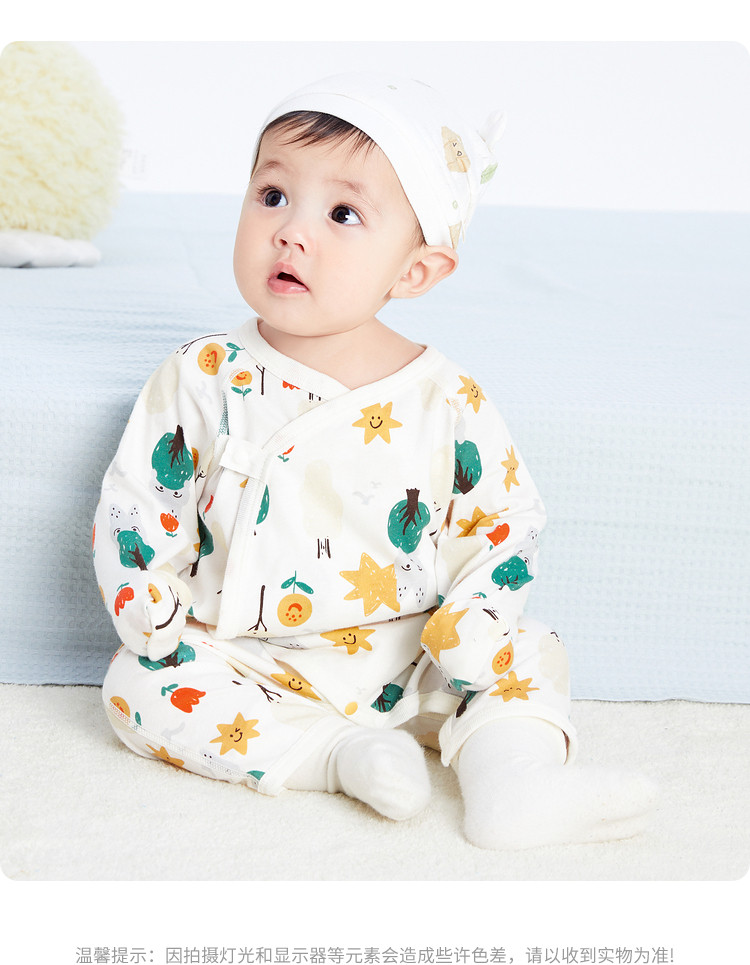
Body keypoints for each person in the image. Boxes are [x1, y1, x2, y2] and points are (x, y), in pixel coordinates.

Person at [93, 72, 657, 849]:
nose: (292, 232)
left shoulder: (445, 399)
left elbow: (504, 521)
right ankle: (335, 754)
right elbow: (141, 495)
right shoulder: (205, 374)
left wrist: (473, 621)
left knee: (530, 649)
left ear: (414, 271)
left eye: (343, 214)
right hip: (245, 656)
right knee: (134, 686)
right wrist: (143, 592)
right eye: (273, 196)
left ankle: (512, 782)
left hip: (411, 651)